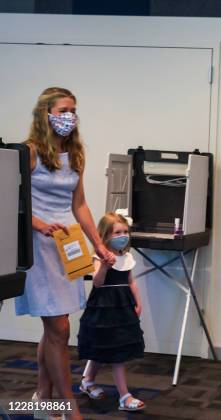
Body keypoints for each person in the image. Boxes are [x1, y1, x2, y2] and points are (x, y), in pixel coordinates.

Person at [15, 87, 116, 420]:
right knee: (58, 328)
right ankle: (68, 405)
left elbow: (80, 204)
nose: (69, 116)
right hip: (38, 248)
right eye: (63, 110)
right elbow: (9, 201)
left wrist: (98, 244)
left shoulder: (76, 153)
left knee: (55, 327)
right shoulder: (28, 152)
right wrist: (38, 223)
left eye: (73, 110)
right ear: (46, 114)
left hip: (67, 247)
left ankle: (44, 398)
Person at [78, 212, 146, 412]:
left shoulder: (127, 257)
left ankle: (88, 381)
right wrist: (105, 267)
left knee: (106, 347)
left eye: (125, 232)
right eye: (117, 232)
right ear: (105, 235)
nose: (123, 235)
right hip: (103, 307)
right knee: (115, 353)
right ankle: (124, 396)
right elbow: (97, 284)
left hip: (122, 307)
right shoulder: (99, 257)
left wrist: (138, 302)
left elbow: (130, 281)